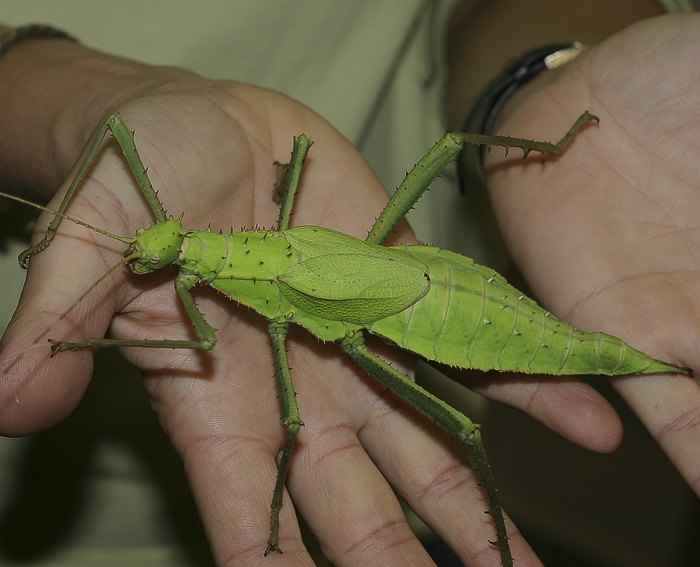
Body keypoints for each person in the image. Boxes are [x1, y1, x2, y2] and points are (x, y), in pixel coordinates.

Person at [0, 1, 697, 566]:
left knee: (456, 432)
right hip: (425, 286)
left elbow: (208, 338)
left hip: (440, 306)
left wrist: (540, 79)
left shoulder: (220, 292)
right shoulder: (216, 261)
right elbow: (141, 137)